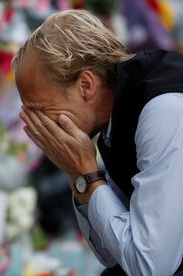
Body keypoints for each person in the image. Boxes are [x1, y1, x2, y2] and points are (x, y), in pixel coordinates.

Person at [13, 9, 183, 275]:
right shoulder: (114, 116)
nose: (36, 127)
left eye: (40, 110)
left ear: (86, 86)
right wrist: (78, 174)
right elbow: (111, 254)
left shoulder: (161, 108)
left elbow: (149, 267)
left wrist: (85, 172)